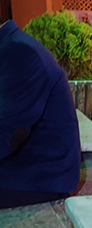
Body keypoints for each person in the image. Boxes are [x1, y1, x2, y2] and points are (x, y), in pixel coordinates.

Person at [0, 20, 80, 209]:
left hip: (36, 179)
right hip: (23, 168)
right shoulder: (11, 45)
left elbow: (8, 133)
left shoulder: (20, 52)